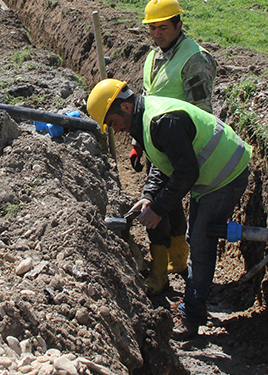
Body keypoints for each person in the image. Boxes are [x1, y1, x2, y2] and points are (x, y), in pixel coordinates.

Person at [87, 79, 251, 341]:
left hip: (225, 172)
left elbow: (186, 172)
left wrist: (159, 208)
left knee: (200, 241)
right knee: (196, 237)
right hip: (211, 175)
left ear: (126, 107)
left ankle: (191, 316)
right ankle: (195, 302)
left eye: (113, 122)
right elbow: (162, 165)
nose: (115, 130)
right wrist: (149, 196)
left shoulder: (162, 121)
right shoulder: (145, 121)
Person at [129, 0, 219, 292]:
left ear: (179, 24)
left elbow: (202, 112)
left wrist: (185, 157)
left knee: (159, 207)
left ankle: (160, 275)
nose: (156, 34)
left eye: (163, 28)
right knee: (169, 206)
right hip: (159, 144)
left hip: (182, 146)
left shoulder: (195, 59)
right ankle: (178, 261)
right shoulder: (154, 56)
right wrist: (138, 142)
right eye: (152, 28)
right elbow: (147, 102)